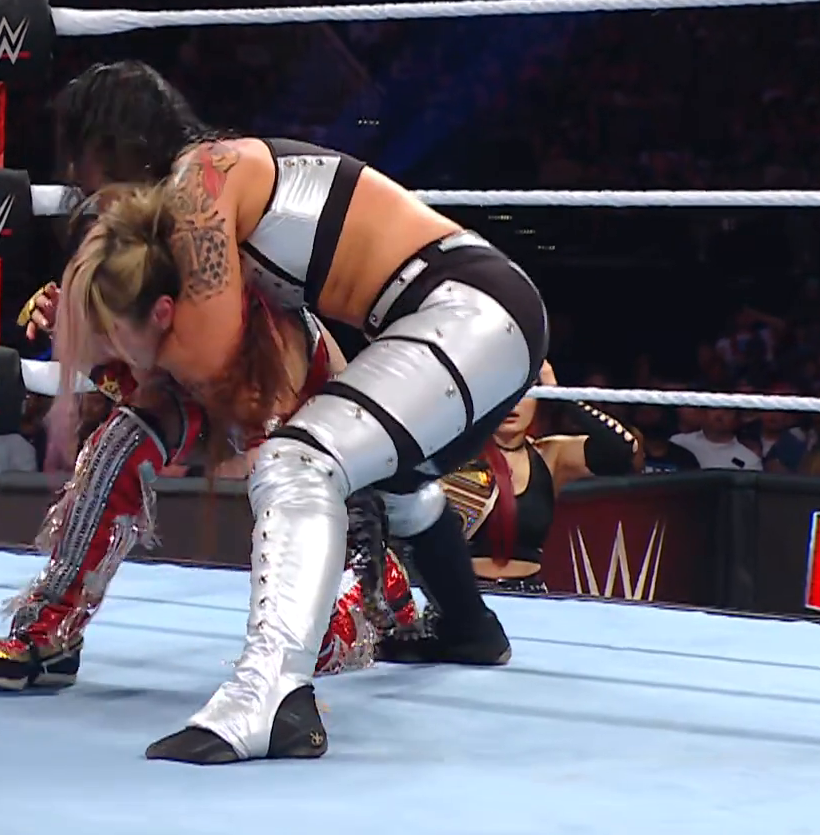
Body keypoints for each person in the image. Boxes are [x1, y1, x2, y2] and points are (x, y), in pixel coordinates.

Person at [54, 135, 548, 764]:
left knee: (298, 460)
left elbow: (214, 371)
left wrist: (105, 357)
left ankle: (269, 696)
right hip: (473, 318)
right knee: (391, 479)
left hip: (467, 311)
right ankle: (467, 626)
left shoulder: (203, 182)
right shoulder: (226, 201)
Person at [0, 191, 417, 689]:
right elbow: (131, 379)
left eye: (114, 334)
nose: (111, 347)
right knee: (119, 444)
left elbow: (275, 471)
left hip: (314, 426)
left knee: (318, 643)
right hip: (205, 395)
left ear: (161, 314)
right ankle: (51, 631)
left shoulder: (252, 346)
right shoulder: (144, 282)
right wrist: (77, 331)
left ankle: (381, 585)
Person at [438, 362, 642, 594]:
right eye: (504, 393)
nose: (513, 404)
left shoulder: (551, 456)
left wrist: (559, 396)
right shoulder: (455, 453)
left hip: (529, 595)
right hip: (465, 594)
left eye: (525, 392)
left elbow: (624, 450)